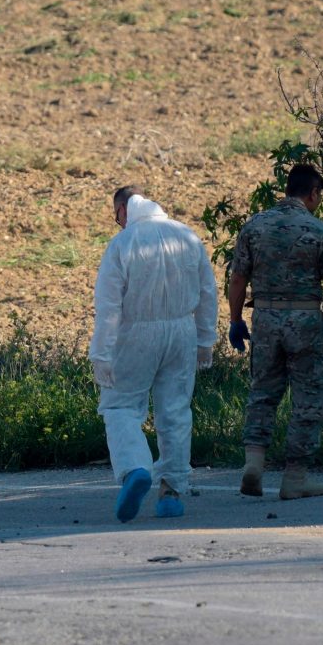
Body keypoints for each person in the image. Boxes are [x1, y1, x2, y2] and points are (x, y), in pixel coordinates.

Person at [225, 162, 323, 501]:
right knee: (308, 398)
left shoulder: (254, 226)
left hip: (266, 321)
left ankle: (253, 464)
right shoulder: (318, 230)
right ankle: (295, 477)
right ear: (313, 193)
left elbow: (238, 278)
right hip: (305, 323)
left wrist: (236, 320)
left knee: (263, 393)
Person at [89, 185, 222, 522]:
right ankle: (171, 493)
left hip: (134, 334)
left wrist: (102, 354)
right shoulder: (187, 236)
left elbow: (108, 306)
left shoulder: (122, 244)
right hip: (182, 332)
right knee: (175, 411)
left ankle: (135, 468)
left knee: (121, 406)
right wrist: (205, 340)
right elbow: (208, 291)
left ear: (123, 210)